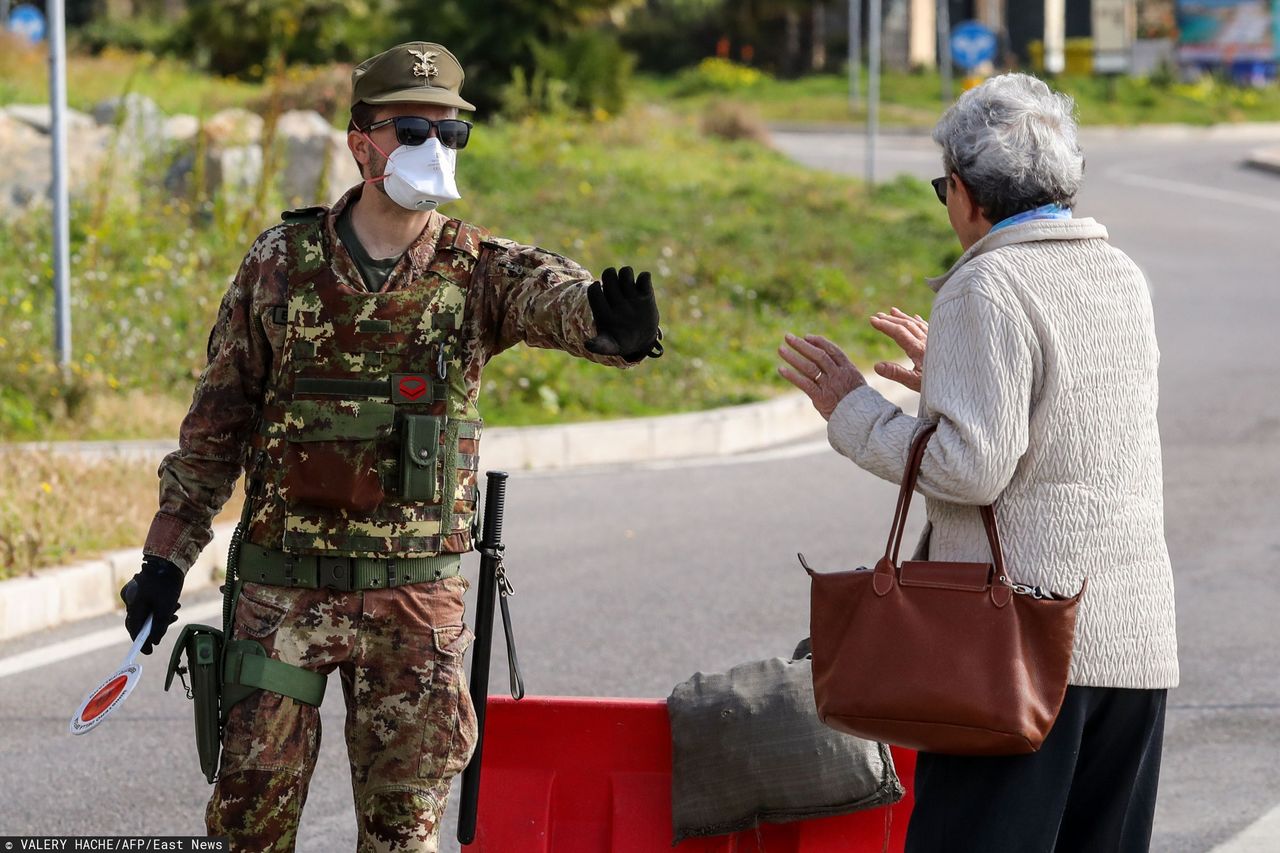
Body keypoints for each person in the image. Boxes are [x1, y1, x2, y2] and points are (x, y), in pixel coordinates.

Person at [118, 42, 662, 852]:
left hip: (416, 611)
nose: (433, 149)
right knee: (249, 826)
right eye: (413, 129)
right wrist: (165, 561)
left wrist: (610, 326)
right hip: (283, 597)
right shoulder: (280, 265)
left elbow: (558, 299)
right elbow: (215, 429)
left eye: (450, 133)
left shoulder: (476, 269)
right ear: (361, 141)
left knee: (403, 837)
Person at [778, 73, 1178, 852]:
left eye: (943, 186)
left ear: (966, 191)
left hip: (1016, 647)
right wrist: (951, 378)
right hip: (1133, 638)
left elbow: (973, 467)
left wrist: (853, 411)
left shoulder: (986, 283)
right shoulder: (1121, 275)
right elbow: (1075, 416)